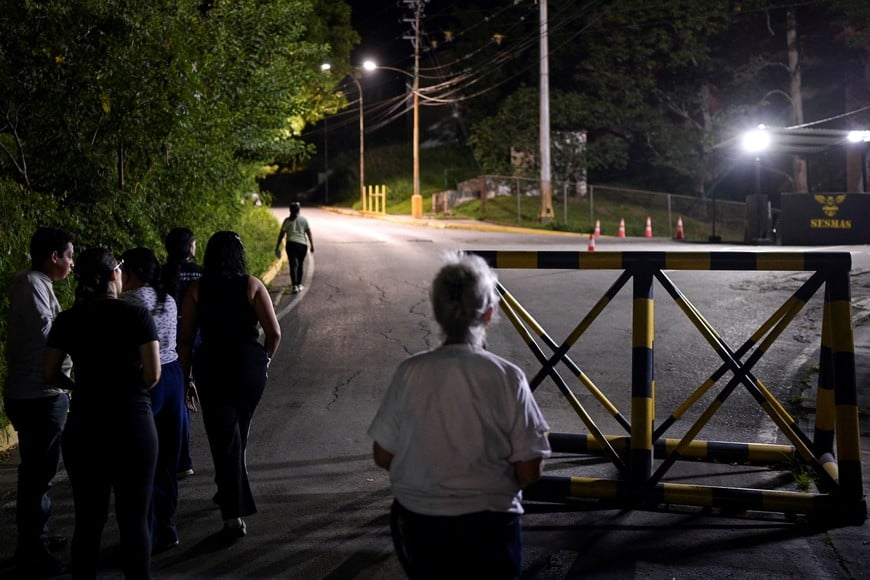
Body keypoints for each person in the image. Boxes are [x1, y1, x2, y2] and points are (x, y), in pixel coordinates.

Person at [367, 252, 551, 579]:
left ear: (437, 314)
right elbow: (529, 469)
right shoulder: (508, 377)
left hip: (421, 525)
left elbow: (383, 454)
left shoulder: (409, 372)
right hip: (491, 527)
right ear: (489, 313)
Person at [44, 248, 161, 580]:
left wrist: (78, 386)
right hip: (133, 425)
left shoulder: (68, 319)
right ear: (114, 275)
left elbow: (49, 373)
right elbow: (153, 375)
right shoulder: (137, 316)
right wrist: (129, 389)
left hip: (85, 427)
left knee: (89, 522)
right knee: (134, 520)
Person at [178, 231, 281, 539]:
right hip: (249, 367)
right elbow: (274, 334)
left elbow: (184, 341)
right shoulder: (252, 285)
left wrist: (186, 379)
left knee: (223, 440)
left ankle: (233, 518)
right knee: (240, 433)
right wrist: (264, 362)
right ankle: (230, 488)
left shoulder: (197, 289)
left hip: (213, 367)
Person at [4, 227, 74, 577]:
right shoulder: (32, 285)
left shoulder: (36, 284)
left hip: (35, 392)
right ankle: (33, 549)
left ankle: (35, 539)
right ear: (54, 257)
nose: (72, 263)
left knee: (37, 473)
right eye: (69, 256)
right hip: (39, 394)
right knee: (38, 474)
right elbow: (50, 335)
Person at [120, 247, 185, 551]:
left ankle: (142, 532)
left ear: (132, 272)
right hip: (173, 377)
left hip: (145, 379)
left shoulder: (128, 302)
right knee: (167, 461)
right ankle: (167, 527)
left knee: (139, 463)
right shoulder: (168, 299)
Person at [161, 227, 202, 479]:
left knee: (177, 398)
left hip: (167, 340)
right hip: (197, 338)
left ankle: (177, 459)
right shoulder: (201, 274)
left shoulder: (161, 273)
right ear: (189, 248)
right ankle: (183, 460)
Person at [274, 202, 314, 294]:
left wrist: (277, 246)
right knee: (300, 264)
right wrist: (312, 246)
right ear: (299, 210)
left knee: (292, 264)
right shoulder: (304, 220)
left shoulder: (287, 221)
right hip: (302, 245)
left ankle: (294, 286)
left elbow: (281, 234)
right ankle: (299, 284)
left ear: (290, 210)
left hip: (291, 244)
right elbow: (309, 233)